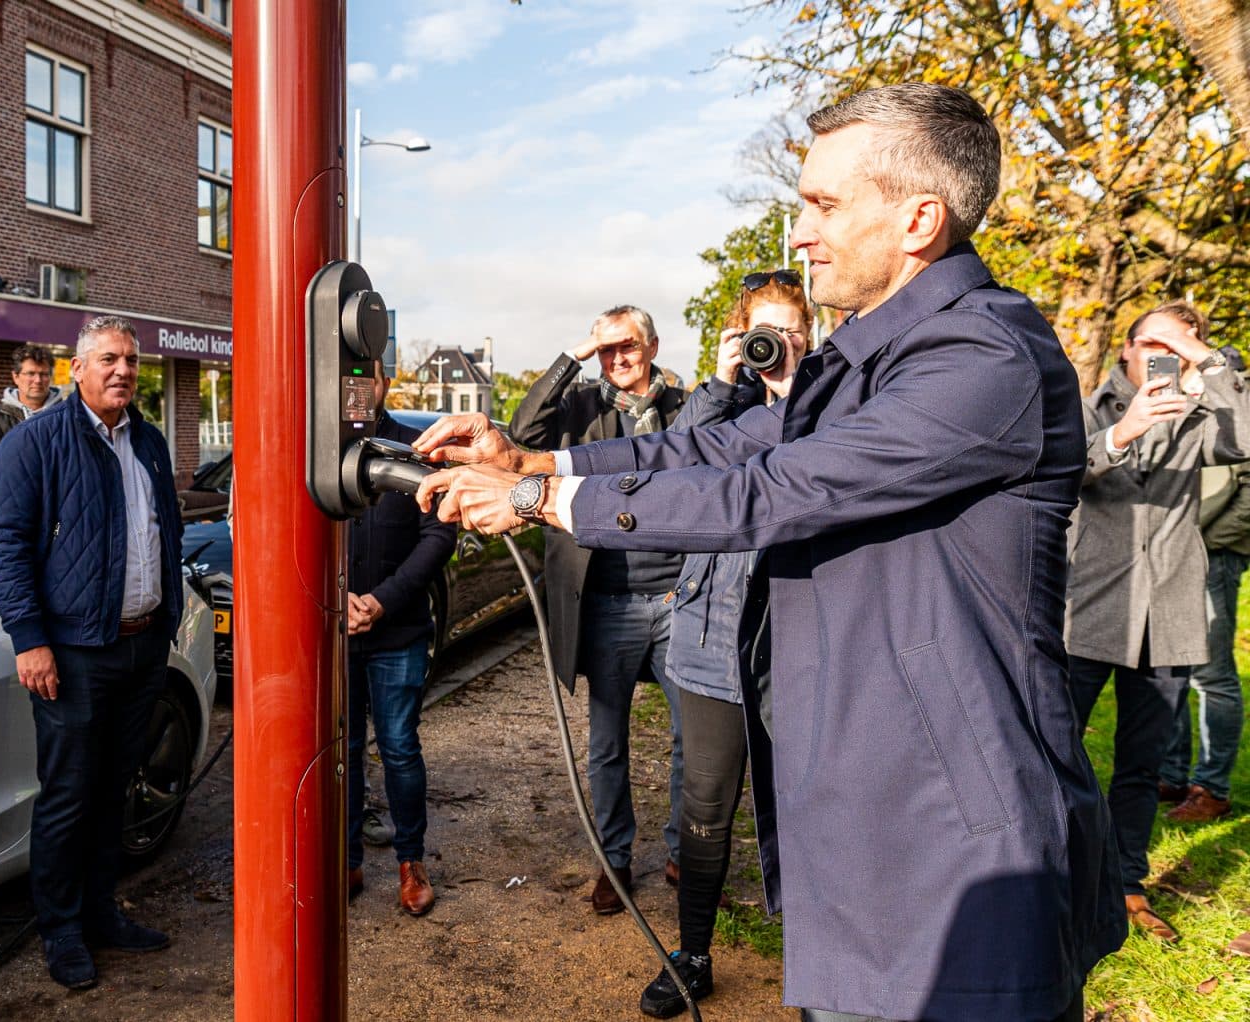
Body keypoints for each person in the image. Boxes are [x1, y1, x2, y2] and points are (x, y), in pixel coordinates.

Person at [413, 83, 1122, 1021]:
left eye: (825, 204)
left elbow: (781, 490)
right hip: (870, 822)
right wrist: (537, 454)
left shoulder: (983, 358)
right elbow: (720, 445)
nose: (801, 232)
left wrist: (542, 500)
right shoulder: (868, 356)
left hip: (957, 840)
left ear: (918, 219)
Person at [0, 315, 185, 990]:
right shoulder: (36, 443)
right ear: (76, 369)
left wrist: (168, 621)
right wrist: (30, 640)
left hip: (141, 645)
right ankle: (61, 930)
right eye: (108, 359)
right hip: (71, 655)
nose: (123, 370)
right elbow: (4, 546)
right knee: (68, 796)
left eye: (130, 360)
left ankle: (102, 912)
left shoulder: (150, 443)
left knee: (114, 791)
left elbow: (164, 533)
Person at [640, 272, 809, 1019]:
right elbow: (677, 457)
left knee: (806, 808)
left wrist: (798, 382)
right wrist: (721, 375)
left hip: (795, 649)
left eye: (789, 331)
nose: (777, 346)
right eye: (761, 333)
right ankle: (693, 954)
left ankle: (817, 956)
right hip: (709, 638)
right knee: (704, 807)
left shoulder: (831, 403)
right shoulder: (723, 412)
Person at [1065, 302, 1250, 942]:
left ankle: (1125, 883)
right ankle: (1051, 874)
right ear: (1124, 350)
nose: (1158, 354)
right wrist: (1123, 432)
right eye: (1149, 342)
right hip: (1088, 609)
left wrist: (1208, 360)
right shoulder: (1091, 407)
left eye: (1175, 344)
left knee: (1141, 766)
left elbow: (1247, 437)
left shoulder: (1201, 414)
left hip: (1167, 613)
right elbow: (1062, 473)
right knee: (1058, 750)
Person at [509, 305, 692, 915]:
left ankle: (682, 850)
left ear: (653, 345)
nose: (618, 359)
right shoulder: (583, 405)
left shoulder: (686, 405)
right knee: (607, 741)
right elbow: (522, 430)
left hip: (676, 596)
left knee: (691, 736)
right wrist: (575, 353)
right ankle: (614, 859)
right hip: (608, 602)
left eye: (627, 346)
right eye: (606, 348)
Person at [344, 360, 457, 917]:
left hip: (399, 631)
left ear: (386, 383)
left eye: (370, 379)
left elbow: (438, 536)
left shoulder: (414, 450)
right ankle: (345, 859)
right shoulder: (318, 448)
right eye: (349, 380)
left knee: (399, 749)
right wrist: (336, 600)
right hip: (332, 632)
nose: (360, 390)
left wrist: (381, 600)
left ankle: (410, 861)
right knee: (338, 751)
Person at [1159, 347, 1250, 824]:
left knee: (1210, 676)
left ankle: (1211, 788)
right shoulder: (1178, 393)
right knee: (1171, 667)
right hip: (1169, 552)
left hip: (1212, 556)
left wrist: (1210, 541)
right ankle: (1172, 775)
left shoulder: (1239, 397)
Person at [0, 343, 63, 466]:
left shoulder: (67, 415)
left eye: (44, 374)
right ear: (16, 377)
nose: (38, 380)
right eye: (31, 373)